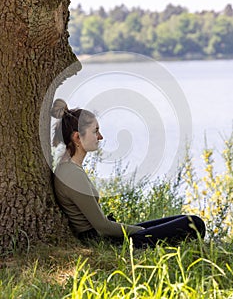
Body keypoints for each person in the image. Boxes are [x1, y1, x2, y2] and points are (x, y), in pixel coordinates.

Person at [51, 98, 205, 248]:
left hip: (104, 235)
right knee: (194, 224)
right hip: (104, 240)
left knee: (184, 219)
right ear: (77, 137)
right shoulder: (71, 174)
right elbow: (102, 226)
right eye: (95, 131)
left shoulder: (68, 168)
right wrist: (143, 232)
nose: (100, 137)